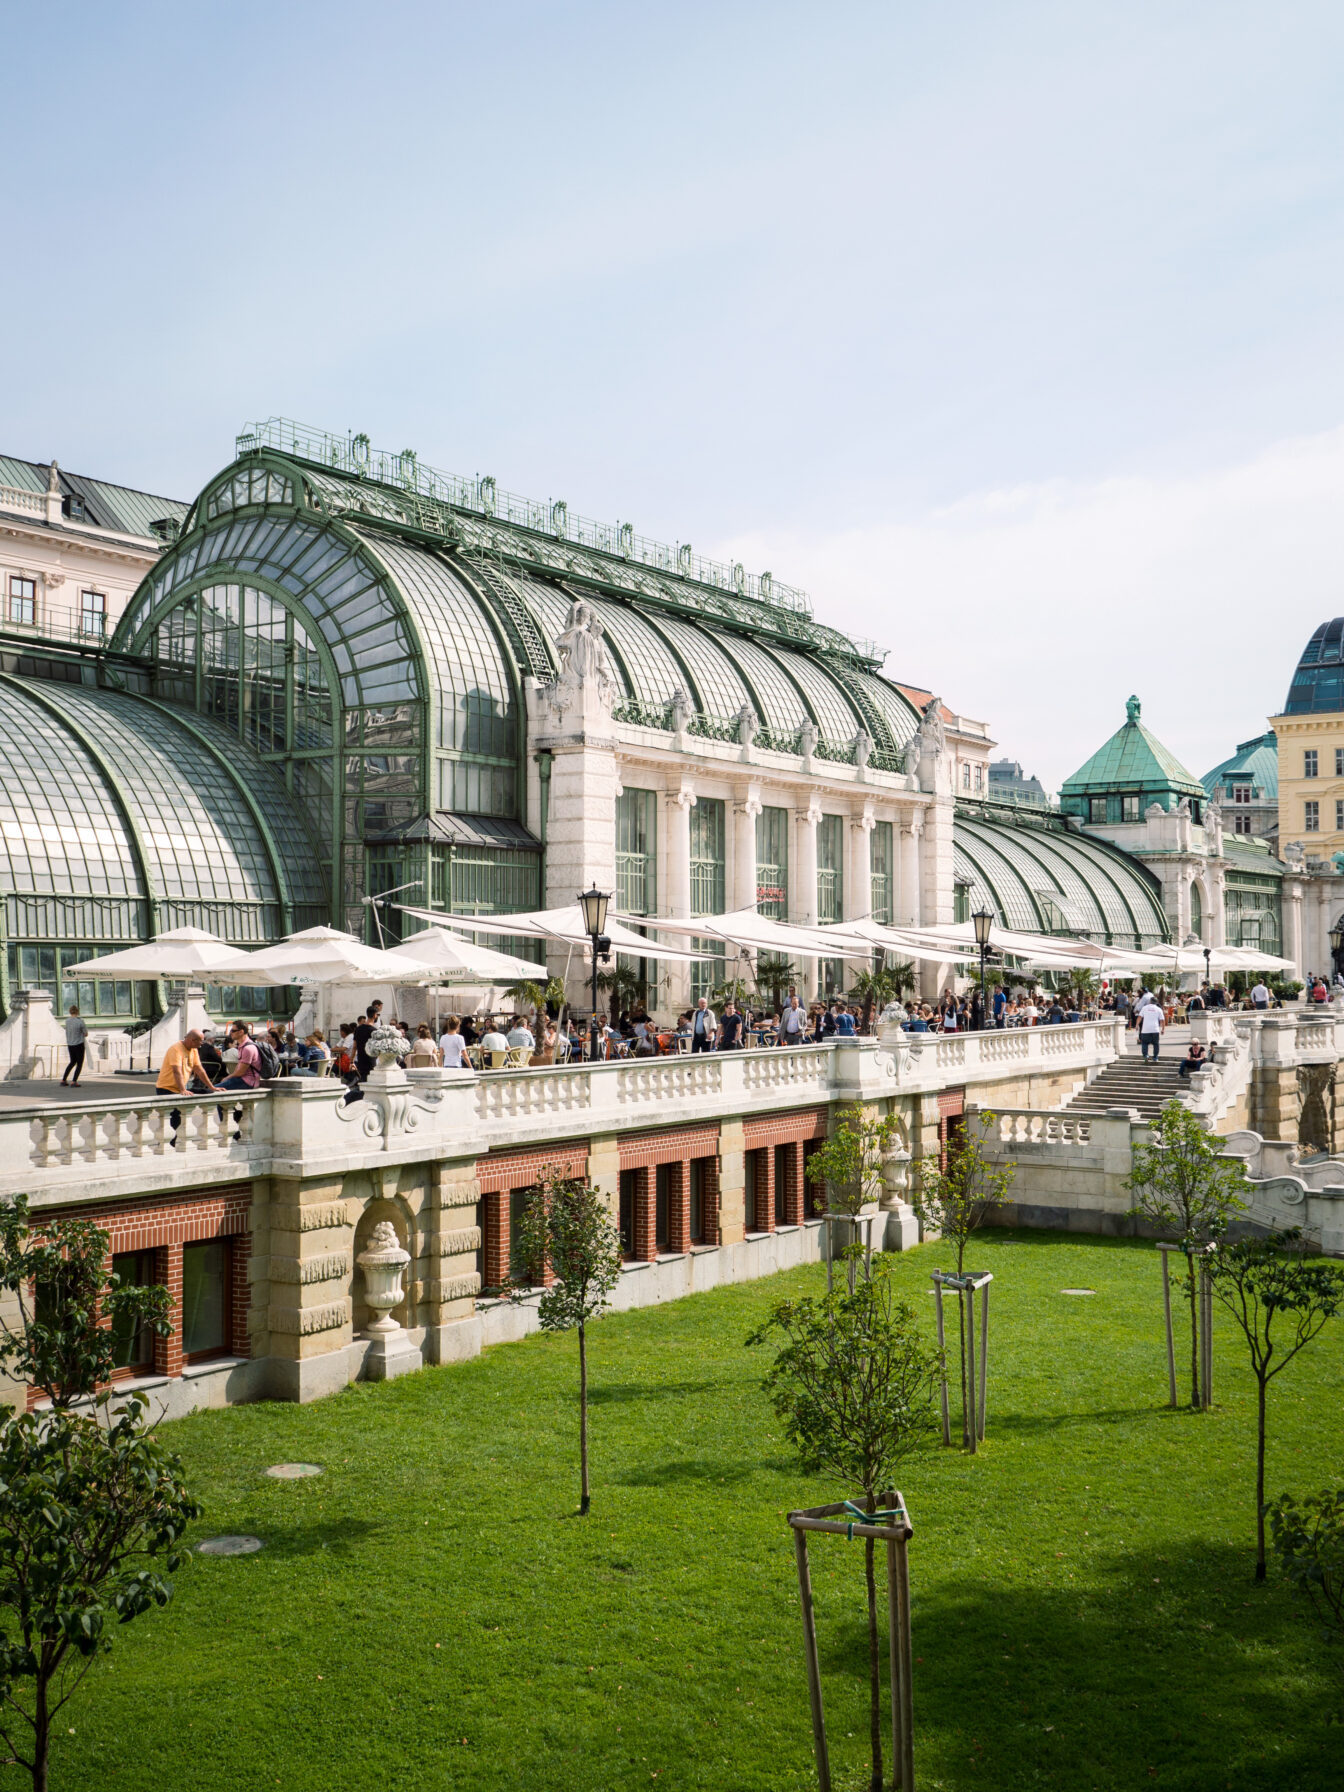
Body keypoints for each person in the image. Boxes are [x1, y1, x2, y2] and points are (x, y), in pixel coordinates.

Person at [157, 1029, 215, 1098]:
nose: (202, 1043)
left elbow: (200, 1070)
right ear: (193, 1040)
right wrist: (183, 1090)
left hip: (179, 1089)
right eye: (201, 1041)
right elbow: (177, 1071)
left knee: (206, 1092)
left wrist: (212, 1087)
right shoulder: (176, 1049)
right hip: (166, 1089)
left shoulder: (194, 1050)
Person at [60, 1004, 88, 1087]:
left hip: (70, 1044)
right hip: (79, 1044)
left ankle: (63, 1079)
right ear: (77, 1012)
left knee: (72, 1062)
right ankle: (74, 1081)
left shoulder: (67, 1021)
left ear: (70, 1012)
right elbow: (85, 1034)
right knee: (79, 1063)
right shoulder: (80, 1021)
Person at [353, 1001, 382, 1080]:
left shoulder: (358, 1029)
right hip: (371, 1060)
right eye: (377, 1015)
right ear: (375, 1015)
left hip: (361, 1059)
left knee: (363, 1080)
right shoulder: (374, 1030)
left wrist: (351, 1061)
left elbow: (354, 1046)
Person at [1137, 996, 1163, 1062]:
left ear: (1150, 1001)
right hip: (1155, 1029)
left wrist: (1137, 1025)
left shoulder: (1144, 1008)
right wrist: (1163, 1029)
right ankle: (1155, 1057)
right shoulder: (1158, 1009)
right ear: (1156, 1002)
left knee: (1144, 1043)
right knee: (1156, 1044)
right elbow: (1162, 1020)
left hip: (1145, 1029)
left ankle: (1145, 1055)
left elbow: (1140, 1017)